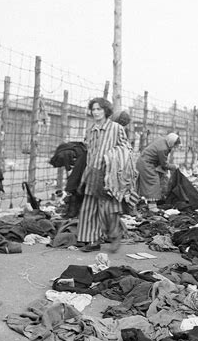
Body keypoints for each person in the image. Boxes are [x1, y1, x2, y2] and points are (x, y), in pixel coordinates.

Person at [77, 97, 131, 252]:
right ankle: (91, 240)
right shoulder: (90, 130)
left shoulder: (116, 128)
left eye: (99, 109)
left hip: (109, 174)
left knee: (108, 208)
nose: (96, 112)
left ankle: (115, 235)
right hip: (93, 171)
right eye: (93, 109)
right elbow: (89, 152)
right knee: (89, 206)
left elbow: (126, 148)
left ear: (106, 111)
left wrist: (112, 158)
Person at [136, 133, 181, 210]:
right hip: (146, 164)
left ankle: (140, 201)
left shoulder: (163, 140)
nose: (174, 147)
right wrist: (174, 166)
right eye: (174, 145)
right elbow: (164, 164)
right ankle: (152, 206)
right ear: (171, 143)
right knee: (153, 182)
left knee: (147, 183)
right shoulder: (163, 149)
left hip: (144, 162)